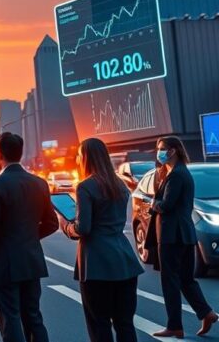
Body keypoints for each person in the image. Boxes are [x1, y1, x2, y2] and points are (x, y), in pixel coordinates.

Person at [60, 138, 144, 342]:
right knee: (125, 324)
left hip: (96, 263)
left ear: (86, 158)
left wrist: (66, 225)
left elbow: (83, 228)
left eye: (79, 155)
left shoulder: (85, 187)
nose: (77, 159)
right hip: (124, 260)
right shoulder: (120, 185)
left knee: (100, 324)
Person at [0, 132, 58, 342]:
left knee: (10, 319)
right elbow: (52, 223)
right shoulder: (40, 183)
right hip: (32, 260)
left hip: (4, 263)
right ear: (21, 153)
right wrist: (28, 236)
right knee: (33, 317)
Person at [150, 136, 219, 338]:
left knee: (170, 281)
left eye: (162, 149)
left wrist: (153, 204)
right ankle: (206, 313)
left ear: (173, 151)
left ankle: (174, 326)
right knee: (186, 279)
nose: (159, 153)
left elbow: (166, 205)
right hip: (184, 234)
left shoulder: (177, 175)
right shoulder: (177, 172)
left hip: (172, 235)